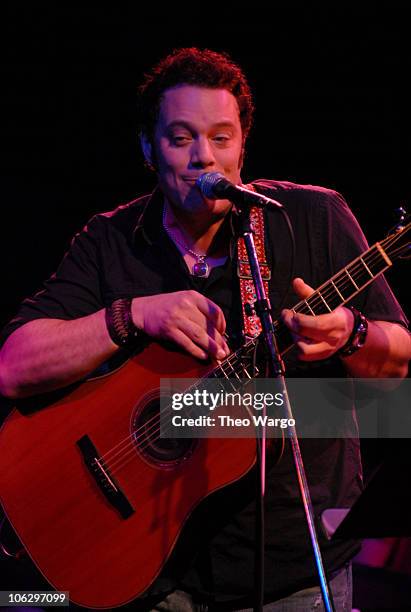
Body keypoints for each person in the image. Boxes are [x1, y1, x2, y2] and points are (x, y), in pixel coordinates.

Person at [0, 47, 409, 611]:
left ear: (244, 144)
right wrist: (131, 315)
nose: (204, 158)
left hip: (294, 572)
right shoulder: (111, 241)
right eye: (181, 138)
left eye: (221, 138)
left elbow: (400, 364)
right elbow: (13, 367)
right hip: (152, 573)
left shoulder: (313, 218)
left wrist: (351, 334)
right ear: (148, 147)